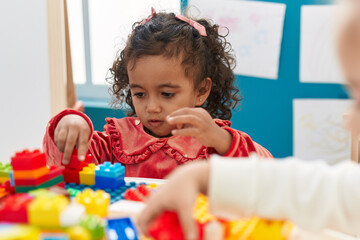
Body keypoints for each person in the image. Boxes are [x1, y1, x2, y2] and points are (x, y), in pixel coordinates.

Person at [138, 1, 360, 237]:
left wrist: (219, 145)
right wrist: (201, 176)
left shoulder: (213, 135)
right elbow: (303, 188)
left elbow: (269, 167)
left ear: (201, 90)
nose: (350, 121)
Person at [42, 8, 272, 179]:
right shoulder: (116, 141)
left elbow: (266, 172)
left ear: (201, 90)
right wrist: (69, 124)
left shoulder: (211, 141)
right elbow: (63, 163)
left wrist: (222, 140)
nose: (152, 107)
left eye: (167, 94)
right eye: (140, 94)